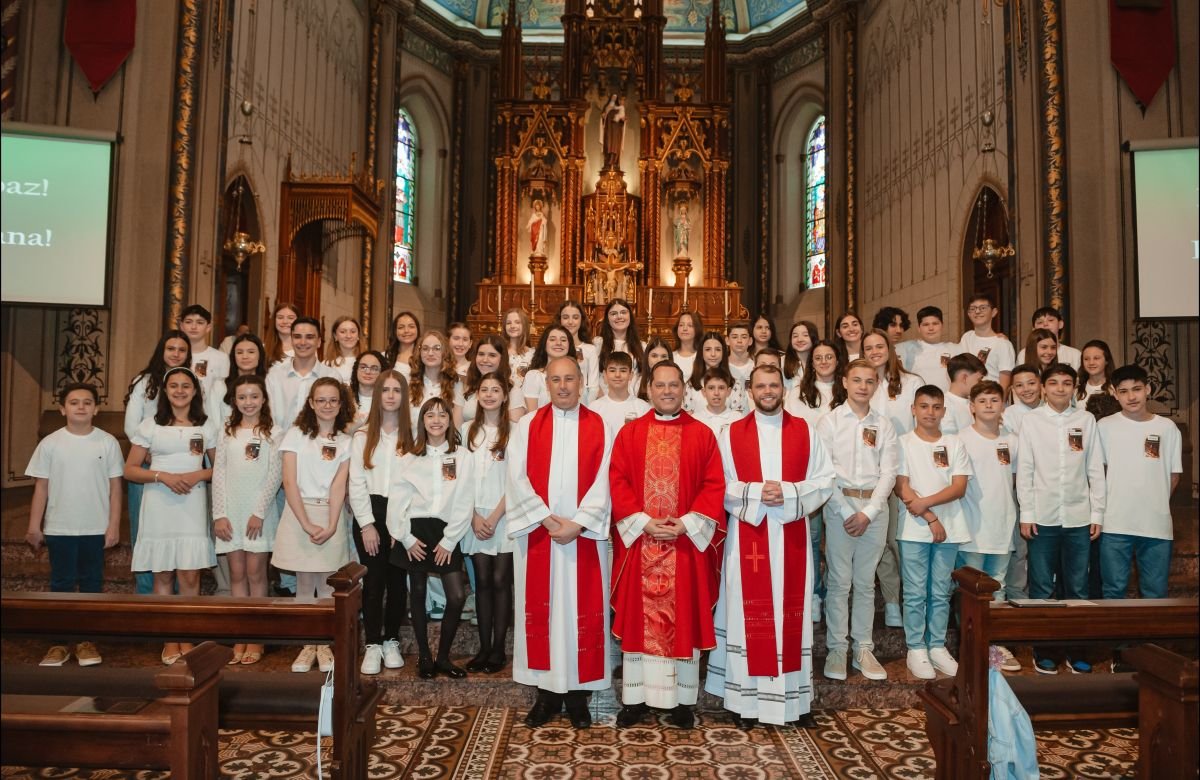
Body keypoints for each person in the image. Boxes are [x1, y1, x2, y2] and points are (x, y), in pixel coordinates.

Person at [707, 364, 834, 728]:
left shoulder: (806, 432)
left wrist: (791, 492)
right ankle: (744, 704)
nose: (767, 391)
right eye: (760, 386)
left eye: (773, 385)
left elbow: (825, 480)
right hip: (749, 537)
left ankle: (793, 702)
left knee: (789, 617)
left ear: (783, 389)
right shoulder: (730, 434)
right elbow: (717, 483)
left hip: (790, 536)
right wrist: (755, 492)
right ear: (750, 391)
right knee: (746, 617)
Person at [610, 361, 726, 729]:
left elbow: (714, 485)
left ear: (683, 389)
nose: (667, 391)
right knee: (638, 622)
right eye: (660, 385)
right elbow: (617, 480)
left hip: (684, 546)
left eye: (673, 385)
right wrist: (644, 522)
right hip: (641, 543)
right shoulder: (630, 434)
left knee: (683, 622)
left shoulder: (702, 435)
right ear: (648, 389)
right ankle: (635, 700)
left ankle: (680, 702)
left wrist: (686, 524)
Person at [507, 356, 613, 729]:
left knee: (579, 615)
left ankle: (579, 697)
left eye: (570, 379)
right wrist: (549, 520)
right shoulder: (528, 425)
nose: (563, 386)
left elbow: (606, 479)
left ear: (581, 382)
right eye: (556, 379)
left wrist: (580, 524)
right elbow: (516, 477)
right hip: (541, 536)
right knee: (545, 614)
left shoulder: (600, 424)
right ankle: (547, 695)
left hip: (583, 539)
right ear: (546, 384)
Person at [124, 366, 218, 666]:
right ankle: (169, 639)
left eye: (186, 386)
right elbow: (131, 469)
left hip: (191, 502)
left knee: (190, 574)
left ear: (195, 391)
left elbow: (220, 468)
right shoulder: (150, 425)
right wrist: (162, 476)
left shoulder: (206, 425)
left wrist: (197, 474)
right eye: (174, 385)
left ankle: (187, 637)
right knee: (162, 575)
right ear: (165, 391)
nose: (180, 390)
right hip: (159, 502)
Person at [25, 383, 124, 668]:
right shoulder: (50, 444)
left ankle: (86, 641)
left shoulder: (107, 442)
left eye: (87, 402)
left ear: (96, 408)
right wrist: (35, 525)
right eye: (74, 402)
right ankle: (58, 643)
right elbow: (41, 488)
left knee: (92, 583)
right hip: (59, 528)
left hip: (95, 528)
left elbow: (115, 488)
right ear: (62, 408)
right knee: (61, 584)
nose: (80, 406)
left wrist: (114, 525)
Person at [1017, 364, 1105, 675]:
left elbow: (1095, 468)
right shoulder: (1031, 421)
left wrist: (1097, 512)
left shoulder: (1086, 419)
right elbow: (1025, 470)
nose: (1060, 389)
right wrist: (1026, 513)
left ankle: (1076, 650)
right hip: (1042, 516)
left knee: (1078, 589)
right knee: (1042, 588)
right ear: (1043, 387)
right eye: (1053, 383)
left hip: (1079, 516)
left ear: (1074, 387)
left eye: (1067, 383)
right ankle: (1046, 651)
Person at [815, 360, 898, 683]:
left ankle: (863, 647)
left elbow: (889, 471)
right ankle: (837, 648)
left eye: (869, 381)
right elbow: (824, 472)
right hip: (839, 509)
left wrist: (870, 512)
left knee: (865, 583)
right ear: (845, 383)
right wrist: (849, 512)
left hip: (874, 509)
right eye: (857, 380)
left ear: (876, 384)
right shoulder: (831, 422)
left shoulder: (884, 424)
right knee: (839, 582)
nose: (863, 386)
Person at [387, 396, 476, 680]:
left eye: (442, 415)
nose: (436, 420)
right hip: (415, 532)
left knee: (457, 595)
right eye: (430, 415)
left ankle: (444, 656)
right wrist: (404, 537)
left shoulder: (463, 456)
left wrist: (450, 540)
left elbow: (465, 500)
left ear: (450, 421)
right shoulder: (408, 457)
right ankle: (425, 656)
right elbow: (396, 502)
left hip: (446, 531)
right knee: (418, 592)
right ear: (422, 421)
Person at [275, 377, 355, 674]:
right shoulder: (296, 435)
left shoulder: (346, 442)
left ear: (341, 404)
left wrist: (333, 523)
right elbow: (289, 481)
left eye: (333, 400)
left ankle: (324, 643)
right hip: (299, 514)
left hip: (329, 514)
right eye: (321, 400)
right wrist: (306, 523)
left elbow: (338, 486)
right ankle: (308, 645)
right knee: (305, 584)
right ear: (311, 403)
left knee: (327, 585)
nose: (327, 405)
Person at [894, 384, 972, 680]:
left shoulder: (954, 443)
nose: (930, 412)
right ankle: (916, 648)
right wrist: (929, 517)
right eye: (924, 406)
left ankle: (936, 645)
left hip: (950, 527)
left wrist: (928, 504)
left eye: (936, 407)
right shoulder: (903, 442)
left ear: (943, 410)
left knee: (940, 591)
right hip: (914, 528)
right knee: (914, 592)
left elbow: (959, 486)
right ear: (913, 409)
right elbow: (902, 486)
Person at [212, 374, 282, 665]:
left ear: (263, 399)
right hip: (231, 512)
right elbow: (218, 473)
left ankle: (256, 636)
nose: (248, 402)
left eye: (254, 396)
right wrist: (219, 514)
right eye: (242, 397)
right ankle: (240, 635)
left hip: (258, 514)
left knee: (256, 575)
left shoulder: (273, 433)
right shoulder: (227, 431)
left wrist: (259, 512)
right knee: (236, 576)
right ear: (234, 400)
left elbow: (274, 475)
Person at [348, 370, 413, 675]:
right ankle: (372, 643)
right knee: (374, 582)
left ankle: (391, 640)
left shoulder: (412, 437)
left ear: (403, 395)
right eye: (384, 390)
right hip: (371, 513)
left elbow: (415, 483)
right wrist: (366, 525)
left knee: (398, 583)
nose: (390, 395)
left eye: (396, 390)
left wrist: (402, 528)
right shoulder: (362, 436)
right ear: (377, 396)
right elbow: (356, 482)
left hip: (401, 515)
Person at [1098, 364, 1181, 600]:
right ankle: (1117, 638)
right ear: (1114, 393)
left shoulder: (1168, 428)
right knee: (1113, 591)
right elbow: (1098, 473)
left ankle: (1153, 639)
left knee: (1155, 593)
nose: (1131, 396)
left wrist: (1153, 503)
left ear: (1148, 389)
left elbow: (1174, 476)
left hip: (1156, 524)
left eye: (1136, 389)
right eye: (1123, 391)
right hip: (1114, 523)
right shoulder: (1104, 427)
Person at [956, 380, 1021, 672]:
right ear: (971, 407)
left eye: (994, 400)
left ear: (1003, 406)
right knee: (970, 590)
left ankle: (994, 643)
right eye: (982, 401)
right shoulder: (960, 439)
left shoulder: (1012, 440)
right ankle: (970, 645)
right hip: (971, 527)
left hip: (1002, 526)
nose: (989, 406)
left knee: (1000, 587)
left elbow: (1019, 482)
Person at [124, 330, 192, 595]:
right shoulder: (145, 381)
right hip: (147, 464)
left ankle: (171, 595)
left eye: (182, 350)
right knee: (146, 534)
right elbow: (131, 423)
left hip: (183, 469)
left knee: (177, 535)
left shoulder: (192, 382)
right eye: (171, 348)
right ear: (161, 351)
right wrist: (149, 451)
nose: (176, 354)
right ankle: (146, 595)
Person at [863, 329, 923, 628]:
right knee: (881, 544)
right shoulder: (859, 384)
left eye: (879, 346)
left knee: (901, 542)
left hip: (903, 473)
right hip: (870, 474)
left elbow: (920, 430)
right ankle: (891, 602)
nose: (875, 351)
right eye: (868, 347)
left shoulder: (912, 383)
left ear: (890, 348)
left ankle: (913, 598)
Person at [460, 374, 516, 674]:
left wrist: (494, 516)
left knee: (500, 581)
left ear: (505, 395)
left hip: (504, 515)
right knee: (481, 582)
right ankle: (483, 648)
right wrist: (473, 516)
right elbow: (457, 478)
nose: (490, 395)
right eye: (485, 390)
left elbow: (518, 479)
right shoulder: (466, 431)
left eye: (497, 390)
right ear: (477, 395)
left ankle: (498, 649)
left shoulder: (516, 432)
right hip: (474, 516)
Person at [265, 316, 340, 432]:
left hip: (318, 445)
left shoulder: (332, 376)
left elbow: (338, 418)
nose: (303, 342)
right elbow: (267, 416)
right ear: (291, 340)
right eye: (297, 337)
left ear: (319, 342)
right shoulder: (275, 374)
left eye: (309, 337)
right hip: (279, 445)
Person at [407, 330, 465, 429]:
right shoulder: (408, 383)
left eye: (436, 348)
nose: (430, 353)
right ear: (419, 352)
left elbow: (457, 426)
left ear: (444, 352)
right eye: (425, 349)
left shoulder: (456, 385)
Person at [462, 334, 526, 423]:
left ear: (502, 359)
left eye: (492, 355)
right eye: (481, 354)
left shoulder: (512, 391)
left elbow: (514, 430)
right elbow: (457, 427)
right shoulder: (467, 387)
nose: (485, 360)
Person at [958, 294, 1015, 391]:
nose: (977, 311)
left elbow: (1005, 384)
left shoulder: (1003, 344)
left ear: (994, 312)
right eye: (973, 308)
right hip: (969, 399)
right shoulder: (966, 337)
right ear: (968, 314)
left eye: (983, 308)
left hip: (991, 399)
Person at [685, 330, 747, 415]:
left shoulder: (735, 384)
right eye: (708, 349)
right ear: (701, 353)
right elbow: (689, 417)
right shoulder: (691, 384)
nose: (713, 354)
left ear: (723, 352)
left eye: (718, 349)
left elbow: (737, 418)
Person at [179, 304, 231, 404]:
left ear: (208, 327)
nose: (193, 327)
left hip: (209, 415)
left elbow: (223, 395)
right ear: (181, 326)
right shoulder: (175, 356)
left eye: (200, 322)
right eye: (188, 322)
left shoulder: (221, 358)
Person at [588, 352, 650, 434]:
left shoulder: (643, 408)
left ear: (631, 375)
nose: (617, 375)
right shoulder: (594, 408)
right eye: (612, 370)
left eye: (623, 370)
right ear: (605, 375)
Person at [784, 339, 844, 425]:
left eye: (829, 357)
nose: (823, 362)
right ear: (812, 363)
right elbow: (789, 425)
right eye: (818, 358)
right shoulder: (797, 393)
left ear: (837, 361)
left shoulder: (847, 392)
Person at [594, 298, 645, 394]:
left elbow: (643, 376)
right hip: (605, 398)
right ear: (607, 319)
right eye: (613, 314)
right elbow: (593, 374)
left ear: (630, 316)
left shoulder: (642, 346)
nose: (619, 316)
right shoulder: (598, 343)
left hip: (633, 398)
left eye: (623, 312)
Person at [524, 325, 578, 412]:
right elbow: (532, 414)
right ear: (544, 344)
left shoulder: (576, 376)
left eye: (563, 340)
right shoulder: (534, 376)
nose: (558, 343)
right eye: (552, 339)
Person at [905, 306, 957, 392]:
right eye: (926, 325)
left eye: (935, 324)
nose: (931, 328)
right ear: (919, 328)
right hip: (920, 402)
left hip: (947, 402)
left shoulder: (954, 349)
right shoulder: (910, 351)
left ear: (942, 325)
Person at [1015, 306, 1081, 369]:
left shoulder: (1074, 354)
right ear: (1034, 329)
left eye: (1050, 320)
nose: (1045, 324)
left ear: (1060, 324)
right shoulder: (1024, 354)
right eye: (1040, 322)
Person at [942, 353, 986, 435]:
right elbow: (950, 440)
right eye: (979, 380)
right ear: (964, 378)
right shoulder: (944, 405)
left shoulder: (975, 402)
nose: (981, 384)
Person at [691, 367, 741, 436]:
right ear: (704, 392)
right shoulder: (695, 419)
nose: (716, 393)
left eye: (721, 388)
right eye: (711, 388)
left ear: (728, 392)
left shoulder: (738, 419)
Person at [1003, 363, 1043, 436]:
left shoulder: (1051, 410)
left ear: (1040, 384)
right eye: (1019, 385)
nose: (1026, 389)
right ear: (1013, 389)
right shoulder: (1008, 414)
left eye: (1031, 383)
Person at [348, 350, 386, 429]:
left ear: (382, 372)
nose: (368, 372)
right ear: (356, 370)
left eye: (374, 368)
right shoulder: (346, 398)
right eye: (363, 367)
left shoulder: (387, 399)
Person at [324, 316, 365, 385]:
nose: (348, 336)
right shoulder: (326, 364)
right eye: (343, 332)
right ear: (335, 336)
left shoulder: (367, 362)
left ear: (358, 336)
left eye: (353, 331)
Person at [783, 320, 820, 388]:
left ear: (814, 338)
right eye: (795, 336)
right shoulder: (781, 362)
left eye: (805, 335)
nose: (799, 339)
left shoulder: (820, 361)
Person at [1076, 340, 1114, 404]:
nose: (1091, 363)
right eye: (1086, 359)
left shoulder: (1115, 388)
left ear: (1107, 360)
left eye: (1096, 358)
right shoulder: (1076, 389)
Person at [673, 311, 703, 385]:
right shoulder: (670, 356)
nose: (685, 329)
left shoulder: (702, 356)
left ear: (697, 329)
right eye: (681, 325)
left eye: (690, 325)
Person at [503, 308, 535, 376]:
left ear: (524, 325)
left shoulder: (533, 354)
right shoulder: (500, 352)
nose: (512, 326)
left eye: (517, 322)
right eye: (508, 323)